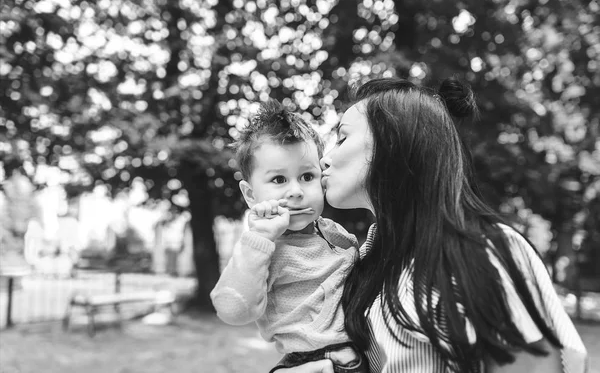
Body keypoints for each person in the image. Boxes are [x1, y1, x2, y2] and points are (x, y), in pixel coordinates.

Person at [277, 77, 588, 373]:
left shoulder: (481, 250)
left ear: (393, 142)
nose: (323, 161)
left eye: (342, 138)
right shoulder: (369, 258)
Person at [210, 100, 368, 373]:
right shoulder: (262, 249)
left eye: (307, 176)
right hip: (308, 360)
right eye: (279, 180)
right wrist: (260, 237)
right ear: (250, 195)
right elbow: (232, 310)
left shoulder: (335, 233)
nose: (295, 191)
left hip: (355, 355)